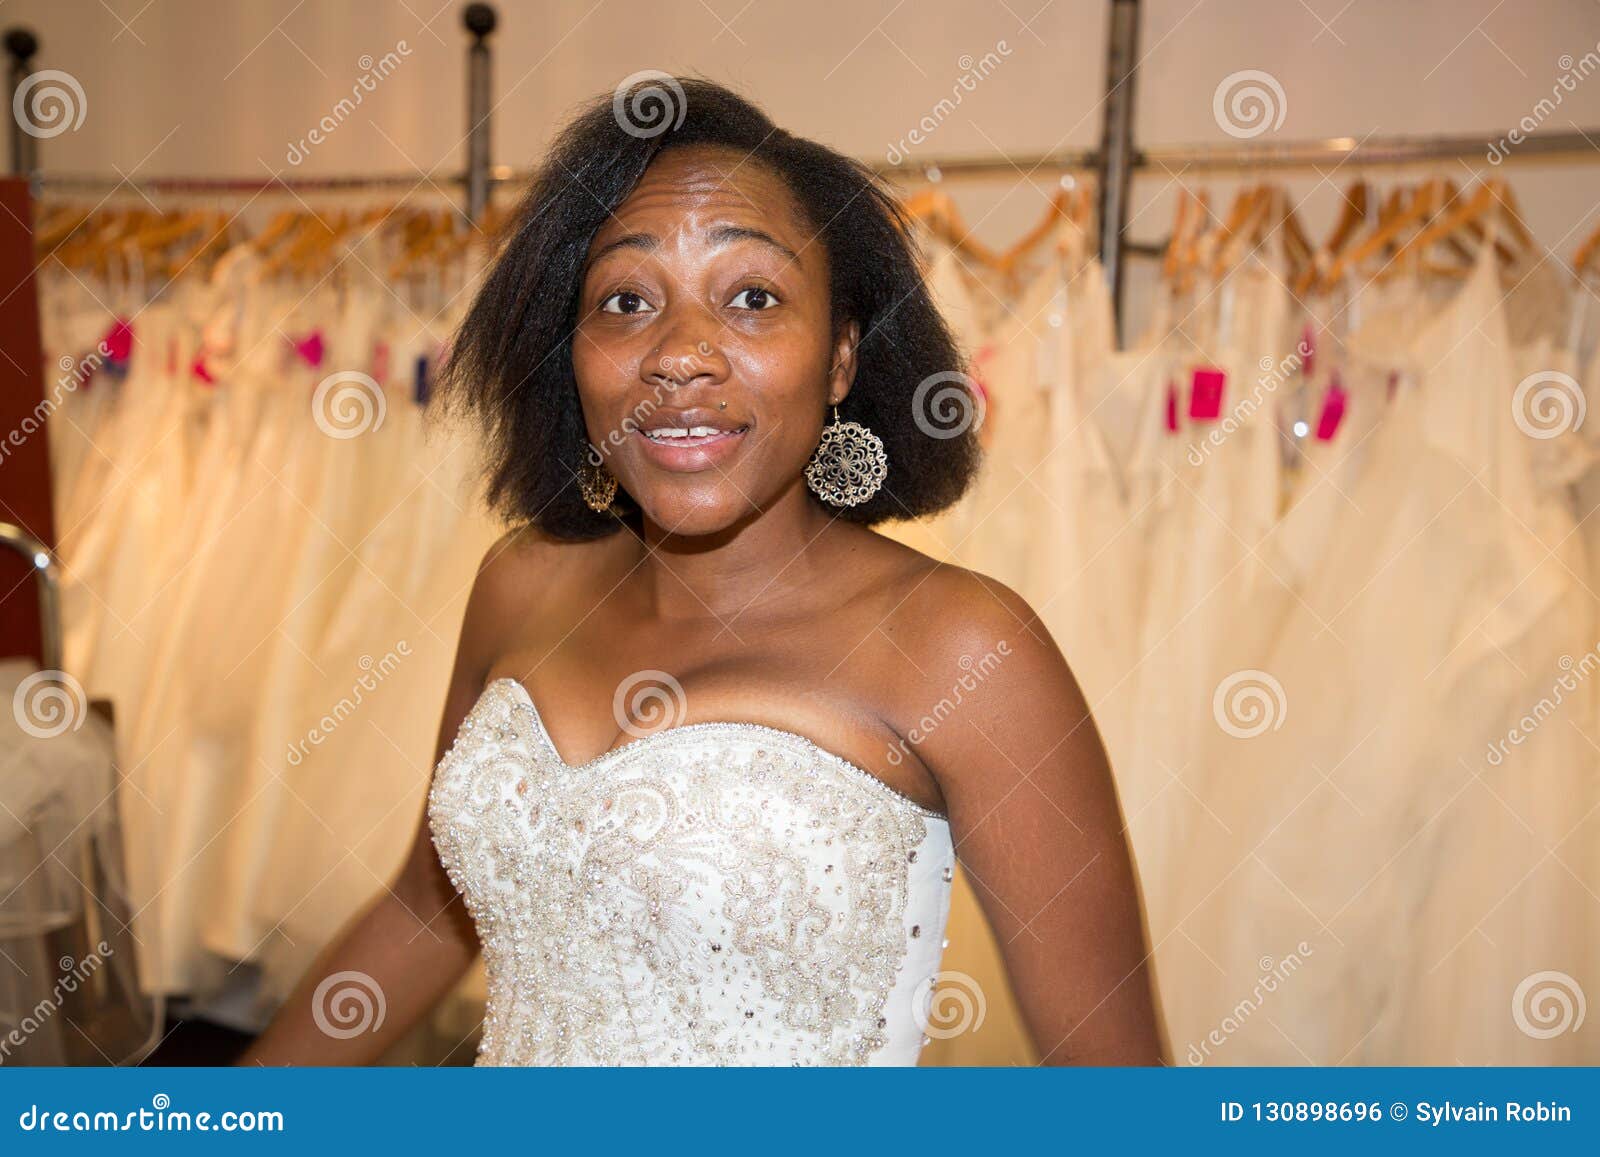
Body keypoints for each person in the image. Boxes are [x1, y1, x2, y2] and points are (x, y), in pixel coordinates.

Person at [241, 75, 1162, 1067]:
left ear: (841, 356)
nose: (679, 354)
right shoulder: (522, 582)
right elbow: (427, 912)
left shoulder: (960, 646)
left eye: (752, 297)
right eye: (626, 300)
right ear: (574, 353)